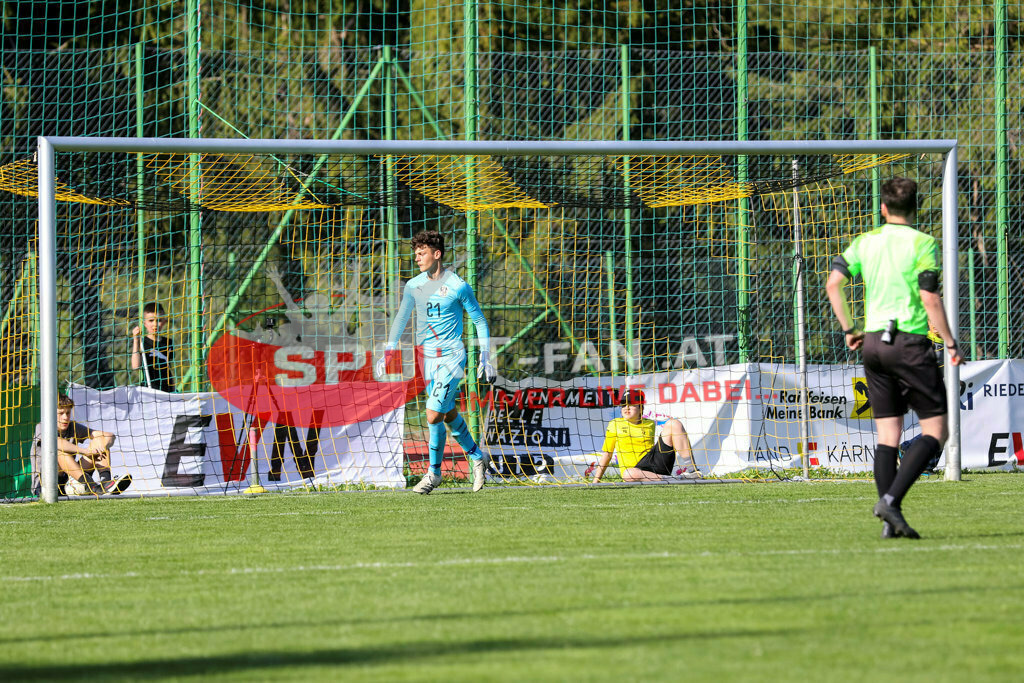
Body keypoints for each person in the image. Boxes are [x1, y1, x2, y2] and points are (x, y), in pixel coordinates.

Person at [826, 177, 963, 539]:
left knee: (888, 435)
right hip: (908, 342)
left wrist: (849, 328)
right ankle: (889, 502)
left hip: (872, 344)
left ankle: (891, 522)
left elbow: (833, 283)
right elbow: (930, 298)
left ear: (883, 208)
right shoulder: (923, 243)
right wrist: (950, 342)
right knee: (937, 430)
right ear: (915, 208)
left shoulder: (866, 241)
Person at [376, 230, 495, 494]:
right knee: (446, 413)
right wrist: (389, 350)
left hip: (452, 357)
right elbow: (401, 317)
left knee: (432, 414)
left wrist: (486, 355)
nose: (417, 258)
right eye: (416, 253)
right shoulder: (413, 285)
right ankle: (478, 457)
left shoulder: (458, 285)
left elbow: (479, 320)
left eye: (422, 253)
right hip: (426, 358)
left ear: (437, 254)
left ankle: (434, 473)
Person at [30, 394, 132, 496]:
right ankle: (93, 487)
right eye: (61, 413)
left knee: (99, 441)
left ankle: (106, 483)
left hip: (70, 479)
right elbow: (56, 442)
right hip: (46, 484)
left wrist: (102, 447)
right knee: (59, 452)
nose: (65, 417)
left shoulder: (73, 426)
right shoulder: (42, 427)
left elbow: (109, 436)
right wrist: (85, 451)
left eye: (68, 413)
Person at [591, 389, 700, 484]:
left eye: (631, 404)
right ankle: (675, 479)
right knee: (629, 474)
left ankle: (693, 472)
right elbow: (607, 454)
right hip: (635, 473)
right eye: (623, 404)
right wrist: (596, 481)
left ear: (641, 408)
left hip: (656, 464)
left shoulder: (650, 423)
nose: (626, 408)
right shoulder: (614, 424)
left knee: (674, 423)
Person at [131, 302, 175, 392]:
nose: (155, 324)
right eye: (151, 320)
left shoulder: (168, 342)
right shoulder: (142, 342)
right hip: (149, 390)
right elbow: (135, 366)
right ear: (144, 323)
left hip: (167, 390)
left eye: (159, 320)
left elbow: (169, 369)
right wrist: (136, 340)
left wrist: (173, 388)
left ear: (164, 322)